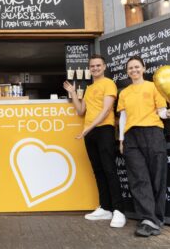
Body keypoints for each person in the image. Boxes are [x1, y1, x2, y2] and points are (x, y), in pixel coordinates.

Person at [117, 56, 170, 237]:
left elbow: (160, 112)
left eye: (136, 67)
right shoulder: (124, 93)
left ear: (143, 68)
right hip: (131, 137)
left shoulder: (153, 87)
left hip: (153, 133)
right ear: (127, 72)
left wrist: (169, 112)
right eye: (130, 68)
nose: (133, 70)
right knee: (138, 178)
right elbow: (123, 118)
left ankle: (156, 219)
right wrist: (121, 140)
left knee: (157, 176)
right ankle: (147, 219)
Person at [63, 54, 125, 228]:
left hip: (103, 130)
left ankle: (119, 211)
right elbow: (81, 111)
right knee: (98, 170)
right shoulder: (89, 88)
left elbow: (106, 111)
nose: (95, 68)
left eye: (98, 65)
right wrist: (73, 93)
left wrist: (88, 128)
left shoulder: (109, 84)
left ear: (104, 67)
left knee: (109, 169)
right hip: (90, 132)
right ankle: (105, 208)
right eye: (92, 66)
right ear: (89, 69)